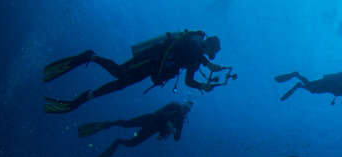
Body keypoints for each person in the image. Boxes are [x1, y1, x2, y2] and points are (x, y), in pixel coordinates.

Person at [44, 30, 235, 113]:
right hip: (151, 58)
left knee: (121, 84)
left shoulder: (196, 60)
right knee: (120, 72)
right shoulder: (195, 40)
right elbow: (189, 46)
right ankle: (91, 56)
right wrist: (207, 64)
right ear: (208, 44)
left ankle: (87, 96)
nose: (210, 54)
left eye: (211, 53)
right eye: (211, 50)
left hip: (152, 69)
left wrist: (203, 84)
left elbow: (188, 81)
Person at [78, 101, 192, 157]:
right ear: (183, 104)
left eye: (187, 110)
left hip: (152, 130)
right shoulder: (174, 106)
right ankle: (104, 125)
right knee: (126, 124)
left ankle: (116, 142)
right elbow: (160, 112)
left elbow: (177, 138)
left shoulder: (180, 121)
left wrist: (173, 132)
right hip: (149, 119)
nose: (184, 110)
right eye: (185, 107)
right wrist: (169, 125)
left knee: (133, 143)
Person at [274, 71, 342, 104]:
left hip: (327, 86)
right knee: (311, 87)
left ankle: (298, 81)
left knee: (312, 89)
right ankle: (297, 77)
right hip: (327, 83)